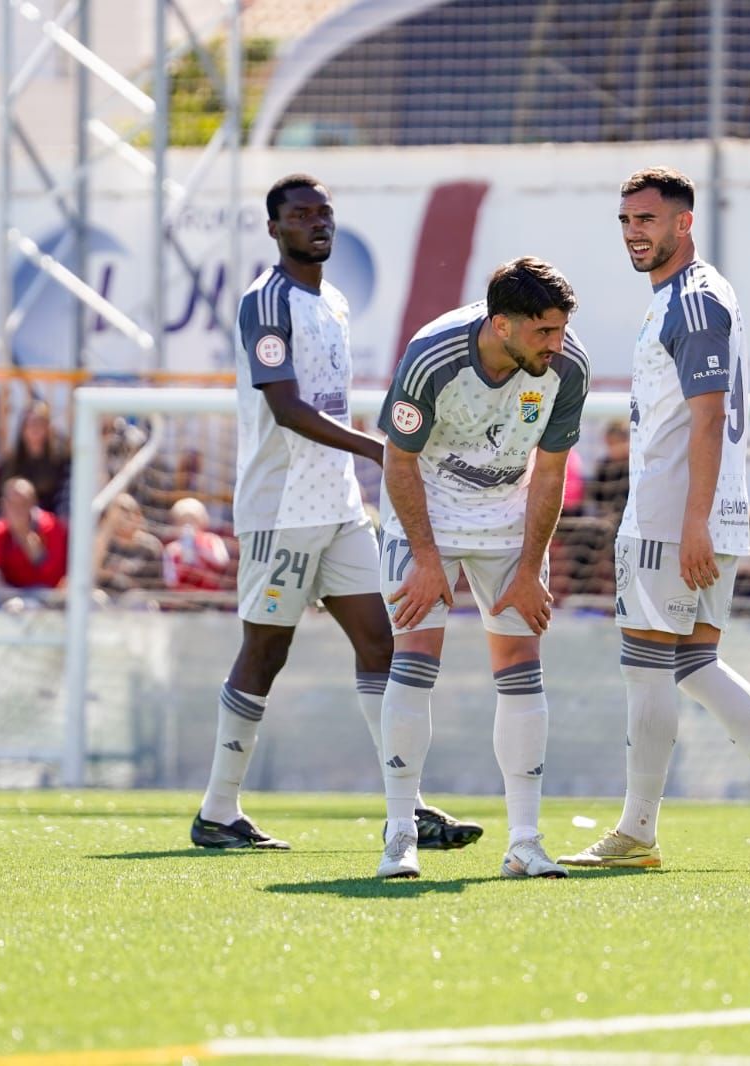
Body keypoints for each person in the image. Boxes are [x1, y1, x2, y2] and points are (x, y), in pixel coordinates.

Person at [192, 174, 481, 853]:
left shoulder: (338, 303)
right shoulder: (265, 303)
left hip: (341, 509)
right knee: (267, 649)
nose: (316, 223)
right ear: (274, 228)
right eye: (300, 215)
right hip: (282, 510)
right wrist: (379, 449)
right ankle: (218, 809)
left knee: (381, 644)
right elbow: (287, 409)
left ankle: (406, 810)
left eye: (324, 213)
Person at [560, 166, 750, 873]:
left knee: (647, 668)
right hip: (704, 508)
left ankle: (636, 832)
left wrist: (692, 524)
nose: (633, 233)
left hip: (675, 511)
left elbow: (708, 418)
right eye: (625, 221)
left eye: (646, 220)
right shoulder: (692, 295)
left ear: (684, 223)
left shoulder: (693, 300)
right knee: (693, 662)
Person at [375, 257, 589, 881]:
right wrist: (425, 556)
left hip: (507, 517)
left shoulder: (566, 367)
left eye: (561, 329)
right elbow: (398, 460)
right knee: (415, 660)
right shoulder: (431, 356)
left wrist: (529, 568)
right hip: (427, 513)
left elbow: (550, 473)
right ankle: (399, 835)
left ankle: (525, 841)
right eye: (543, 332)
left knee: (521, 670)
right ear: (501, 325)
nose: (558, 343)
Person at [0, 478, 68, 591]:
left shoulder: (50, 526)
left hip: (40, 592)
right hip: (9, 591)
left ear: (33, 504)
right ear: (3, 505)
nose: (18, 510)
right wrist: (4, 593)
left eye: (24, 504)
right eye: (13, 504)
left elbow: (52, 577)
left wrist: (26, 537)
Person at [0, 400, 72, 516]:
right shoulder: (11, 461)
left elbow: (63, 498)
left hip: (46, 520)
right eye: (30, 424)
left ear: (47, 428)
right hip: (11, 519)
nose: (35, 429)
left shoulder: (60, 460)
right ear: (23, 429)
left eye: (39, 424)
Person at [91, 493, 164, 594]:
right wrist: (106, 530)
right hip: (105, 601)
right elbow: (91, 573)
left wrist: (112, 575)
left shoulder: (150, 546)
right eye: (120, 513)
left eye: (131, 512)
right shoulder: (102, 542)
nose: (127, 518)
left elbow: (152, 585)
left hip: (137, 602)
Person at [162, 497, 233, 592]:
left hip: (210, 596)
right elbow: (169, 580)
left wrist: (200, 551)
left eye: (192, 520)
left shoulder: (212, 540)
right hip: (183, 598)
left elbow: (222, 561)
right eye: (183, 521)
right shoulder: (172, 549)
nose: (188, 525)